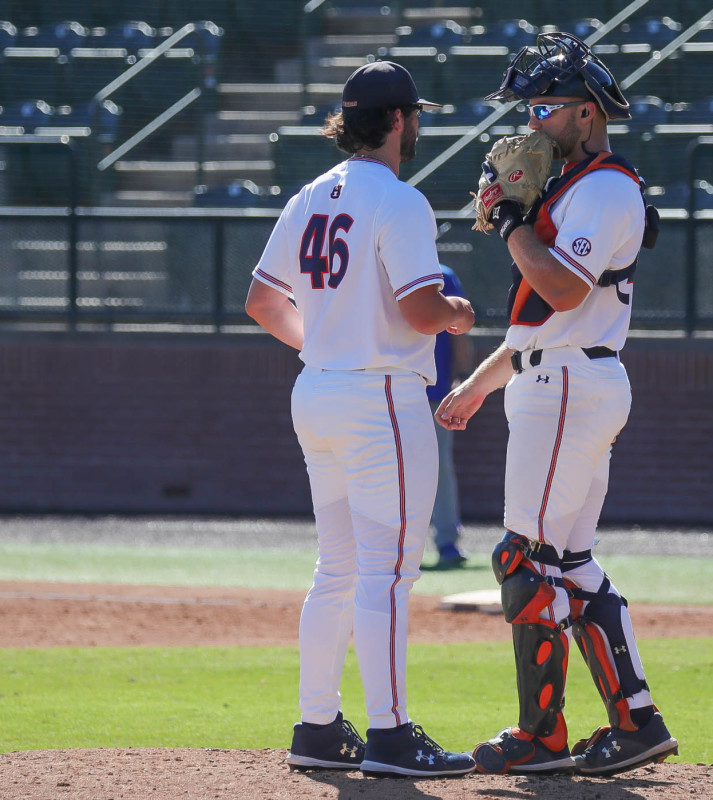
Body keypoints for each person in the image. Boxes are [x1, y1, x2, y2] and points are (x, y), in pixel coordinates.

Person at [434, 32, 678, 776]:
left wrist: (510, 224)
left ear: (587, 113)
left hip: (568, 386)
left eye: (546, 106)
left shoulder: (604, 185)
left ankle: (541, 736)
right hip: (563, 375)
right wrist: (479, 385)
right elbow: (551, 320)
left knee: (521, 556)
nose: (532, 121)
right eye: (530, 105)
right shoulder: (581, 187)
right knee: (568, 563)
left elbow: (563, 291)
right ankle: (637, 722)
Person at [245, 60, 476, 778]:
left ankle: (317, 726)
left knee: (337, 568)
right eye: (416, 116)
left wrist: (322, 343)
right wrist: (459, 315)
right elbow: (418, 309)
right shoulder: (400, 200)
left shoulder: (310, 194)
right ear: (403, 120)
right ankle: (392, 734)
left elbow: (261, 300)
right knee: (389, 570)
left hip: (316, 390)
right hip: (379, 398)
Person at [428, 264, 474, 569]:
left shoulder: (442, 274)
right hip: (383, 387)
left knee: (438, 467)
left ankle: (446, 543)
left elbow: (459, 333)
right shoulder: (376, 266)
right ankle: (385, 546)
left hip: (434, 389)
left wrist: (464, 378)